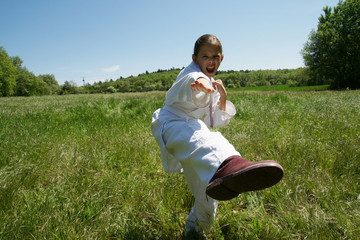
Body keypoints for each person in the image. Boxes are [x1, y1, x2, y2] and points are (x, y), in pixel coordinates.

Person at [151, 34, 283, 237]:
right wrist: (203, 84)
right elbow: (194, 81)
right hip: (172, 125)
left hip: (191, 135)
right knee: (211, 140)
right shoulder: (191, 74)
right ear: (195, 59)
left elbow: (216, 120)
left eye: (215, 56)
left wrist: (222, 97)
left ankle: (195, 231)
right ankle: (230, 165)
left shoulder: (212, 83)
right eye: (205, 56)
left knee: (207, 189)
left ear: (222, 58)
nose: (210, 61)